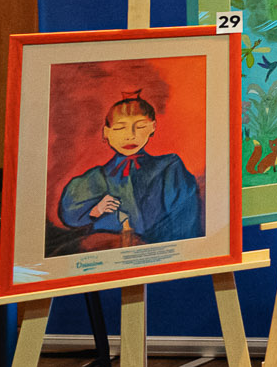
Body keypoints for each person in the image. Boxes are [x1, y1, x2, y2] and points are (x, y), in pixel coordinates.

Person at [52, 93, 203, 255]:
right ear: (106, 133)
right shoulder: (94, 178)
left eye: (140, 126)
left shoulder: (168, 167)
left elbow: (185, 220)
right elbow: (70, 215)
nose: (130, 135)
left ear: (152, 127)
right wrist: (97, 209)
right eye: (120, 128)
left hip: (160, 254)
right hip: (109, 254)